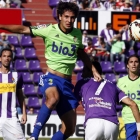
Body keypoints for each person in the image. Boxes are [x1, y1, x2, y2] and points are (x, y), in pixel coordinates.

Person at [0, 1, 102, 140]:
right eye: (66, 17)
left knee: (70, 129)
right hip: (51, 78)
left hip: (67, 84)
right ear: (60, 16)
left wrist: (94, 70)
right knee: (53, 98)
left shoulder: (77, 34)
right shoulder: (49, 29)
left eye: (72, 18)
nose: (69, 20)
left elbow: (81, 52)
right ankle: (34, 136)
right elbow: (23, 30)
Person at [74, 61, 140, 140]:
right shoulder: (112, 85)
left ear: (91, 71)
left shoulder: (82, 83)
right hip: (112, 125)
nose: (81, 74)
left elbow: (73, 103)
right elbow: (133, 104)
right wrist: (139, 128)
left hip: (93, 122)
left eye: (84, 71)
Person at [0, 48, 27, 140]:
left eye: (9, 56)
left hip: (11, 117)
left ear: (11, 58)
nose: (6, 58)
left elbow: (20, 96)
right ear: (0, 58)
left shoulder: (17, 75)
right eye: (4, 56)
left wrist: (24, 113)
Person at [117, 54, 140, 140]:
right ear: (127, 65)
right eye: (131, 62)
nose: (133, 64)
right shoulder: (121, 81)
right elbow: (116, 101)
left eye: (136, 62)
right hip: (129, 120)